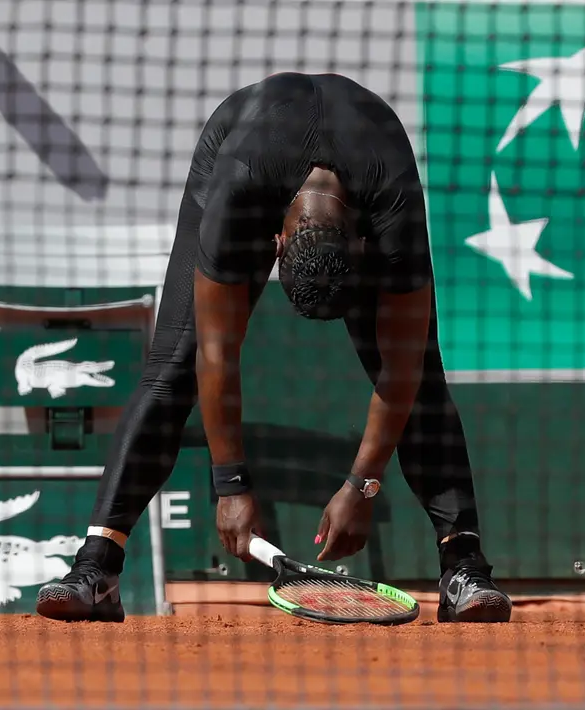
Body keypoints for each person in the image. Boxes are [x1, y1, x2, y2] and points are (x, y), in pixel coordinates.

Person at [36, 72, 512, 624]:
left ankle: (465, 566)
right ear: (275, 244)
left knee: (423, 379)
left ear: (363, 248)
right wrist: (230, 482)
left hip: (364, 158)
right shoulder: (236, 196)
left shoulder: (391, 206)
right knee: (172, 367)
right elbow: (217, 351)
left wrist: (363, 484)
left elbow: (402, 366)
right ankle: (97, 567)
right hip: (240, 145)